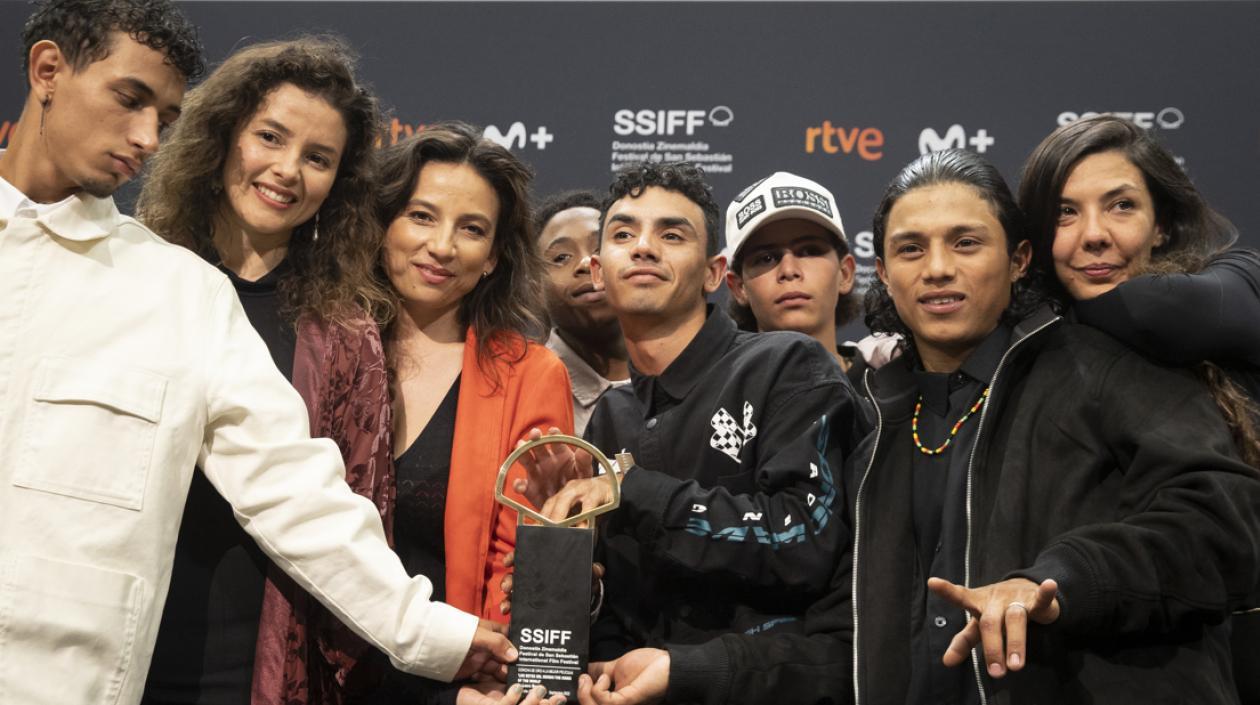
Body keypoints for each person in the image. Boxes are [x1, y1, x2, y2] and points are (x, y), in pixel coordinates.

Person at [0, 3, 513, 705]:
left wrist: (427, 631)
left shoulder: (180, 293)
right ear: (48, 70)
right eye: (130, 99)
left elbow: (296, 491)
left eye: (166, 116)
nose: (148, 136)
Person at [520, 161, 868, 694]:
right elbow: (619, 596)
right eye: (623, 233)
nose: (643, 247)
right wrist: (579, 599)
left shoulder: (786, 364)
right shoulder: (612, 415)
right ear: (596, 271)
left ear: (712, 274)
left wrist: (630, 490)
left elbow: (802, 539)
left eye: (671, 234)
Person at [135, 37, 399, 705]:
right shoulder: (134, 277)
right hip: (119, 650)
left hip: (266, 666)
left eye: (317, 158)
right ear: (224, 136)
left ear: (338, 183)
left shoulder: (346, 334)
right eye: (270, 138)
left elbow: (359, 517)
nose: (287, 170)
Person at [1018, 114, 1260, 704]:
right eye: (1064, 213)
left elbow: (1152, 309)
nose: (1094, 235)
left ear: (1161, 226)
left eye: (1121, 206)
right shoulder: (1022, 366)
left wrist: (1038, 312)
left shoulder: (1225, 296)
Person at [356, 121, 574, 704]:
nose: (443, 247)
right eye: (422, 216)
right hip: (306, 670)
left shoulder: (530, 374)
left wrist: (491, 685)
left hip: (449, 686)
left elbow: (528, 562)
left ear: (493, 257)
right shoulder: (321, 351)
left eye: (471, 229)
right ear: (382, 225)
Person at [722, 171, 861, 374]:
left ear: (845, 273)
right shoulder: (714, 398)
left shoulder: (893, 391)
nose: (789, 271)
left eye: (810, 251)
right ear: (739, 287)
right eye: (766, 258)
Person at [535, 190, 630, 435]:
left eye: (599, 247)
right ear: (535, 287)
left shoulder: (686, 369)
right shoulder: (522, 385)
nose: (586, 263)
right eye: (561, 257)